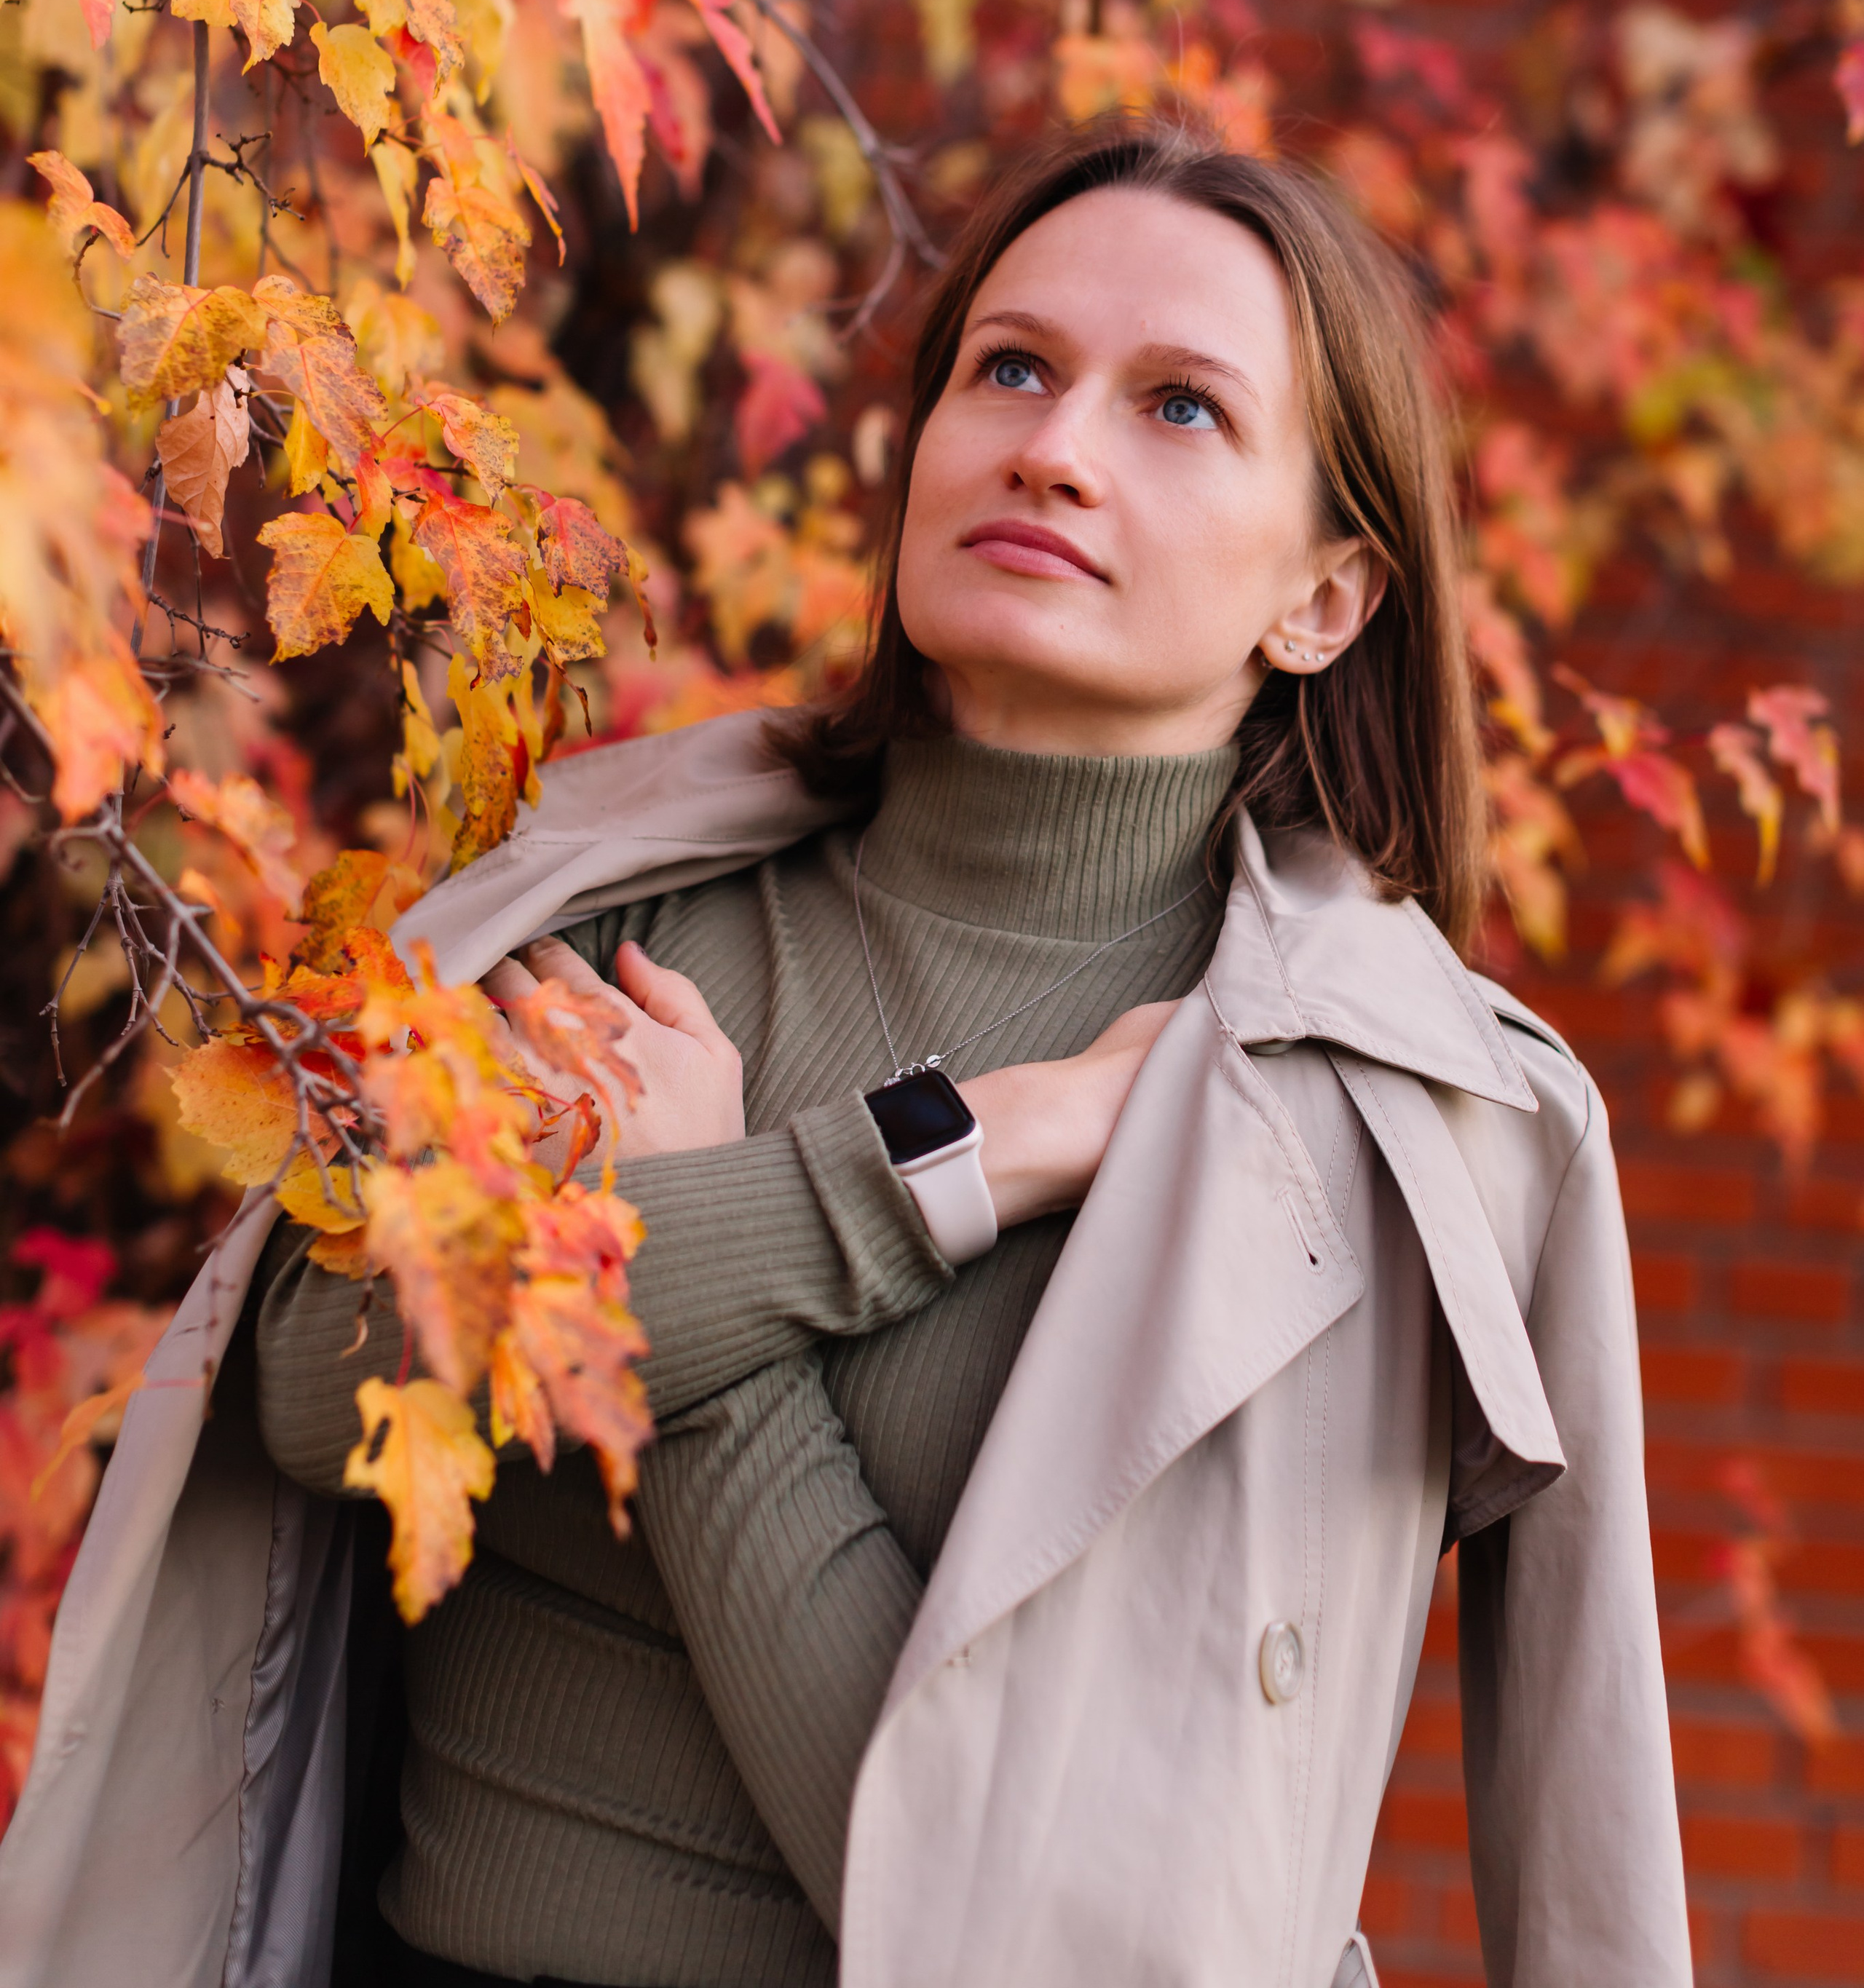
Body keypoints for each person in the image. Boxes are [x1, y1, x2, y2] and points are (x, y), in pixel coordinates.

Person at [0, 125, 1691, 1988]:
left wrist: (677, 1257)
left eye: (1182, 409)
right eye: (1012, 369)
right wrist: (964, 1154)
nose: (1052, 444)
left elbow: (985, 1916)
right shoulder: (630, 905)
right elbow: (322, 1394)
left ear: (1326, 597)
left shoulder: (1391, 1132)